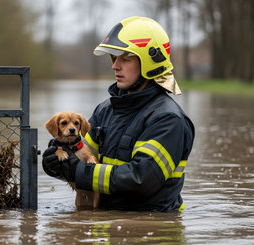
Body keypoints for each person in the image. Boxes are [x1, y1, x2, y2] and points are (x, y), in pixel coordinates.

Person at [42, 16, 195, 212]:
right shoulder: (106, 110)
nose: (115, 66)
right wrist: (55, 164)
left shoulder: (168, 119)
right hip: (106, 223)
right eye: (114, 58)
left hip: (150, 226)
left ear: (149, 63)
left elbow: (141, 179)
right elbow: (80, 159)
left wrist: (77, 170)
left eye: (125, 59)